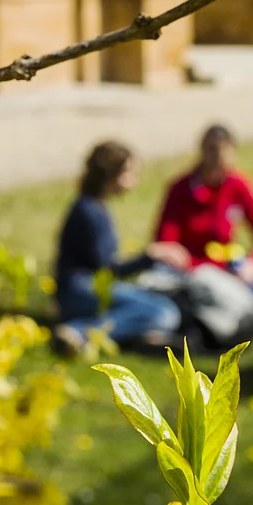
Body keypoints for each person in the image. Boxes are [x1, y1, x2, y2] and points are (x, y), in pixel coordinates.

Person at [154, 125, 253, 307]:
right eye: (212, 155)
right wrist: (200, 267)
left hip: (234, 273)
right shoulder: (181, 189)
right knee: (162, 273)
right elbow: (167, 245)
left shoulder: (238, 186)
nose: (218, 167)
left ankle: (246, 301)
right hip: (195, 276)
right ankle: (248, 301)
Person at [52, 142, 184, 355]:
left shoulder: (91, 206)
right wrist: (150, 256)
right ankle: (79, 332)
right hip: (79, 290)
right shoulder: (90, 213)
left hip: (76, 290)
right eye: (131, 173)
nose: (135, 181)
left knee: (152, 306)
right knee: (163, 312)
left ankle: (138, 336)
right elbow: (108, 270)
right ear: (114, 174)